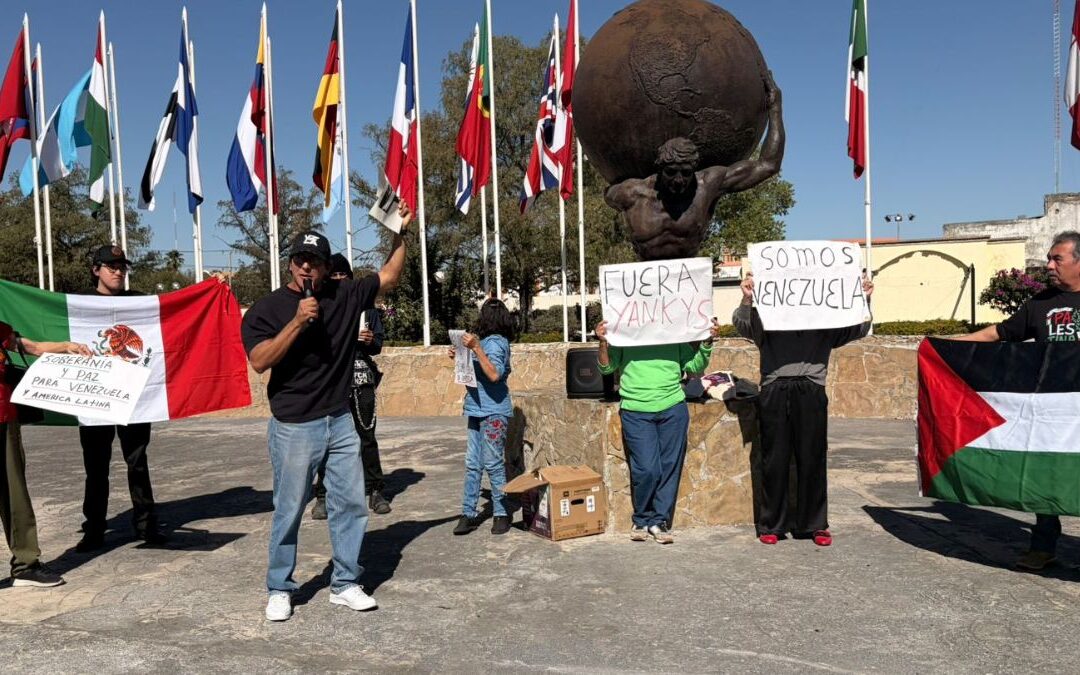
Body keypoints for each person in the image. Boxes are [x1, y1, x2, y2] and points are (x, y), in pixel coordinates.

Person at [242, 206, 409, 622]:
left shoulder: (344, 295)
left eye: (314, 262)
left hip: (340, 420)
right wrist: (297, 323)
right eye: (300, 259)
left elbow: (389, 277)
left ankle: (346, 583)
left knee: (351, 503)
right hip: (294, 426)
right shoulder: (268, 309)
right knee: (290, 507)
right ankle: (280, 588)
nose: (306, 267)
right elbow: (260, 361)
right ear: (290, 263)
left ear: (324, 268)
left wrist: (401, 234)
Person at [952, 230, 1080, 571]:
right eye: (1049, 258)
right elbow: (999, 334)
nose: (1049, 265)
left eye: (1058, 259)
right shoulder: (1040, 304)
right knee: (1046, 477)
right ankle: (1043, 546)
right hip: (1052, 411)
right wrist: (947, 344)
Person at [733, 273, 874, 547]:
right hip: (775, 388)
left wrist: (864, 299)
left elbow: (857, 328)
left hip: (811, 389)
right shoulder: (768, 316)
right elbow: (742, 326)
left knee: (813, 459)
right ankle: (772, 524)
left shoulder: (824, 319)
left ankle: (815, 525)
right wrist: (747, 298)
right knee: (774, 461)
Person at [604, 72, 784, 261]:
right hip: (646, 284)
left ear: (694, 170)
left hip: (691, 283)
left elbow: (768, 165)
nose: (679, 179)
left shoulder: (707, 185)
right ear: (659, 169)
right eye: (671, 172)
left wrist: (775, 109)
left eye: (686, 173)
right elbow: (607, 190)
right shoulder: (630, 193)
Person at [595, 319, 722, 544]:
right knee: (647, 469)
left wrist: (707, 342)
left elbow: (693, 367)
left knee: (670, 466)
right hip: (635, 410)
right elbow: (606, 367)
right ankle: (642, 518)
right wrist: (603, 342)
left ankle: (659, 520)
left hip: (673, 407)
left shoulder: (672, 335)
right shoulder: (624, 336)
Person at [76, 245, 165, 552]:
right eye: (110, 266)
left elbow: (175, 312)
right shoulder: (79, 302)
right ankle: (94, 529)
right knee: (96, 467)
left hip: (134, 397)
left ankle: (146, 525)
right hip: (95, 397)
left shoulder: (141, 301)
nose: (117, 271)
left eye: (122, 266)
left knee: (137, 462)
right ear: (95, 269)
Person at [0, 322, 91, 586]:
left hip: (5, 420)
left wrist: (67, 346)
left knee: (15, 495)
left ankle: (26, 565)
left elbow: (35, 347)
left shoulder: (2, 332)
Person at [311, 253, 391, 520]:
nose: (338, 280)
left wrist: (368, 340)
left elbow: (378, 345)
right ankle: (323, 494)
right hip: (332, 380)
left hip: (360, 377)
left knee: (366, 436)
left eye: (342, 276)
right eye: (333, 276)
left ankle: (375, 490)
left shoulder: (367, 308)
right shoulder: (322, 305)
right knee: (326, 439)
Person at [448, 299, 515, 536]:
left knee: (493, 463)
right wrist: (459, 356)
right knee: (473, 463)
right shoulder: (487, 342)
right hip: (478, 408)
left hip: (493, 410)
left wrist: (476, 349)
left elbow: (494, 374)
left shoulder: (495, 343)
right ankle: (468, 512)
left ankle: (501, 512)